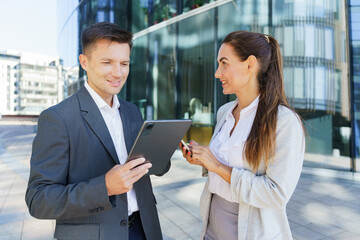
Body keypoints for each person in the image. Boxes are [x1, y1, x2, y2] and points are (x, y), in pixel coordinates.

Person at [25, 22, 168, 240]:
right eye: (107, 62)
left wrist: (161, 149)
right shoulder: (58, 118)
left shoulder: (132, 111)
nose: (118, 73)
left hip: (144, 228)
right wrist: (105, 187)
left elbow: (148, 167)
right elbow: (39, 199)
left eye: (124, 63)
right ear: (84, 62)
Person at [180, 31, 305, 240]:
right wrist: (203, 158)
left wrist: (217, 166)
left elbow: (276, 194)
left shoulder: (284, 122)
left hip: (250, 230)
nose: (217, 73)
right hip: (211, 224)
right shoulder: (224, 112)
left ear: (250, 64)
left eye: (224, 63)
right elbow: (224, 163)